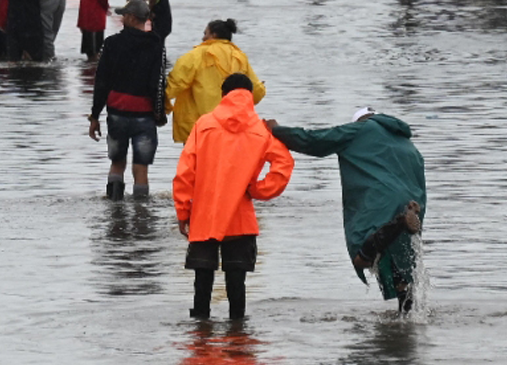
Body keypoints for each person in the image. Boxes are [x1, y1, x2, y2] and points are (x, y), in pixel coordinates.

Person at [269, 106, 428, 312]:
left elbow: (315, 140)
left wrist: (277, 130)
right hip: (412, 204)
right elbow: (421, 185)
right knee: (403, 276)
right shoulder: (408, 145)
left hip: (381, 200)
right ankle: (406, 324)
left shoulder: (362, 129)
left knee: (361, 257)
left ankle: (397, 223)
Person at [174, 73, 292, 321]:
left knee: (202, 282)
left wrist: (183, 211)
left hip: (205, 217)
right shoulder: (261, 130)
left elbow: (186, 172)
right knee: (237, 284)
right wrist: (258, 190)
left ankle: (201, 340)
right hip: (240, 218)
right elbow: (283, 164)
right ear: (250, 97)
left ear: (223, 95)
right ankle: (238, 341)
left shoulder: (204, 124)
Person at [89, 0, 165, 199]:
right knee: (141, 168)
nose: (121, 18)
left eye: (124, 15)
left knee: (117, 162)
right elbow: (157, 83)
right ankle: (141, 215)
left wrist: (95, 115)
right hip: (144, 114)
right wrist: (159, 112)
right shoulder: (156, 45)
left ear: (131, 18)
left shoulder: (112, 44)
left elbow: (101, 82)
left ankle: (114, 210)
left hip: (117, 112)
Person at [167, 19, 264, 144]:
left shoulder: (193, 56)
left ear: (213, 35)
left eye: (205, 33)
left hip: (198, 127)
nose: (203, 38)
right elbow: (256, 92)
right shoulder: (239, 57)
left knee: (197, 162)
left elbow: (174, 85)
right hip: (232, 125)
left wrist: (160, 109)